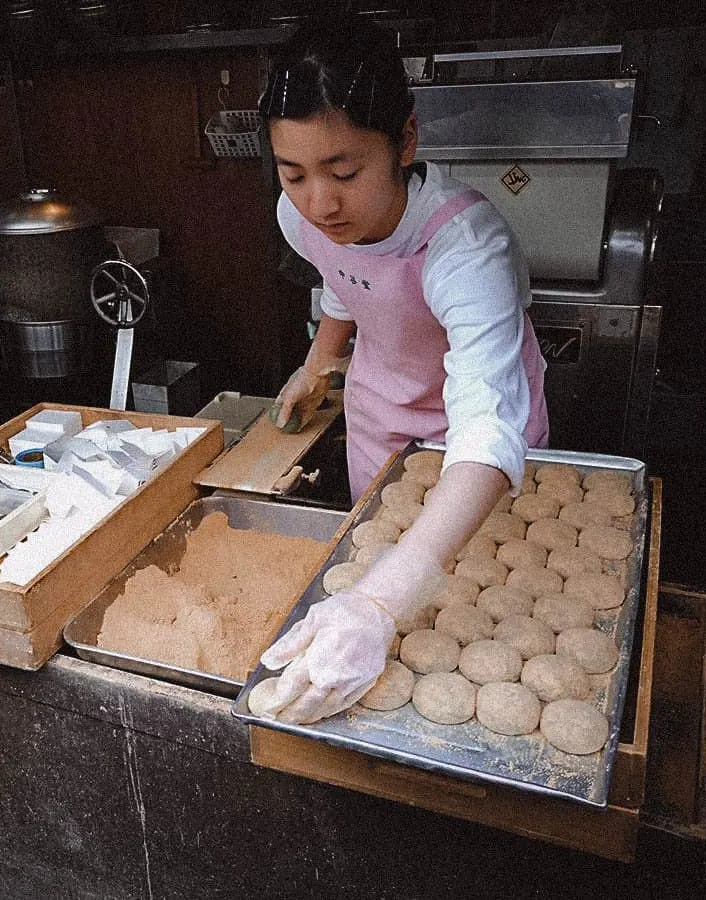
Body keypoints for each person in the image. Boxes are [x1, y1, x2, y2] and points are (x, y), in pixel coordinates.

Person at [256, 16, 549, 725]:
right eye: (293, 173)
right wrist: (320, 359)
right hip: (379, 422)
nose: (320, 202)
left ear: (406, 142)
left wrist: (378, 604)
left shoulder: (466, 246)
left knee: (478, 596)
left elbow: (487, 426)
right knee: (383, 567)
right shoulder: (300, 217)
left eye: (345, 171)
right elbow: (339, 277)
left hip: (479, 446)